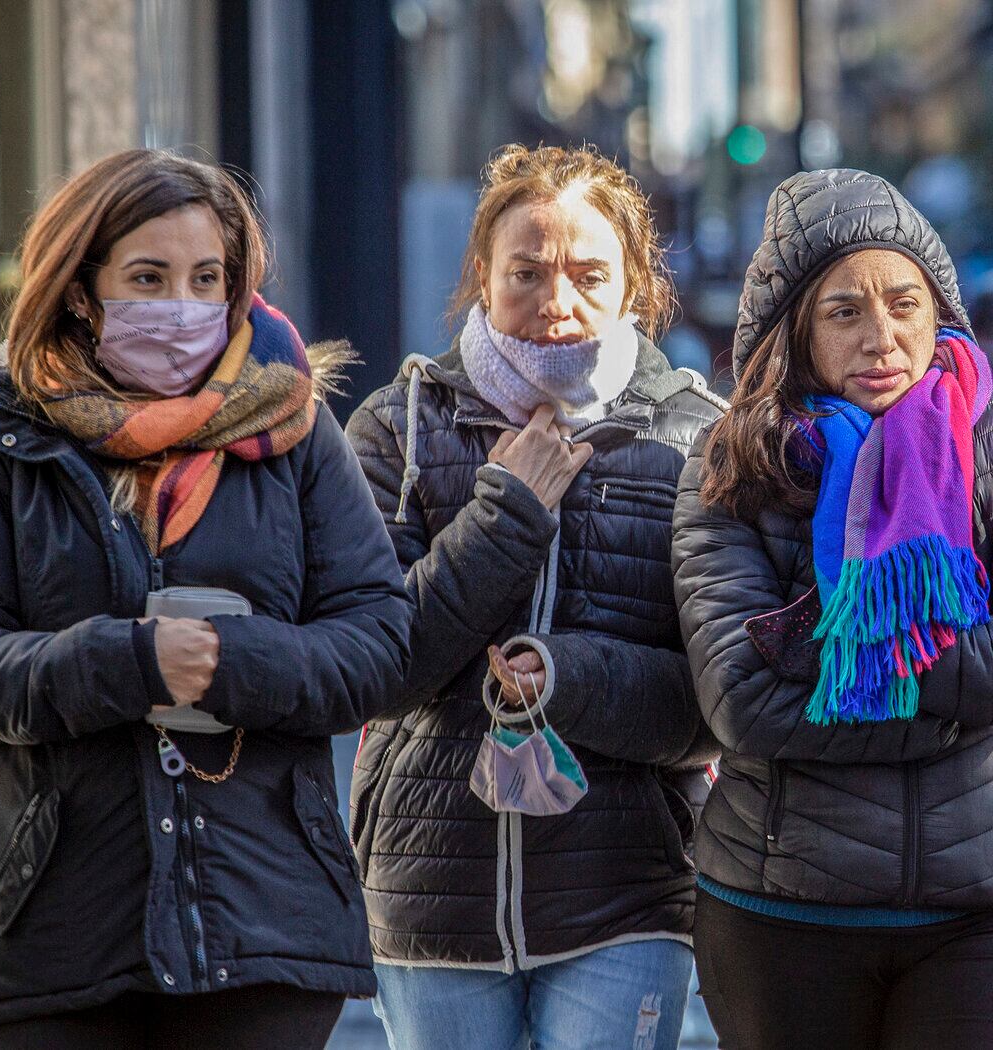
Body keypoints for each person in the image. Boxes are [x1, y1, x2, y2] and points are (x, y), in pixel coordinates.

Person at [0, 149, 412, 1049]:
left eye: (206, 278)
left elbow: (376, 644)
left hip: (264, 927)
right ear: (81, 290)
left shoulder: (294, 427)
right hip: (57, 933)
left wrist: (229, 662)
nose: (182, 305)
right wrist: (130, 662)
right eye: (148, 278)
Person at [345, 143, 725, 1050]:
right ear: (482, 274)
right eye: (527, 272)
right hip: (431, 894)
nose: (557, 303)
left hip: (628, 895)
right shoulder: (399, 427)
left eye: (589, 276)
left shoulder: (698, 440)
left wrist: (567, 677)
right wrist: (506, 516)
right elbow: (370, 669)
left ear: (633, 286)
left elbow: (714, 705)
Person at [672, 167, 993, 1049]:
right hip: (783, 910)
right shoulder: (732, 465)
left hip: (972, 913)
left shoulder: (985, 453)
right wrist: (949, 715)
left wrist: (833, 645)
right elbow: (742, 701)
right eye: (844, 312)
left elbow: (782, 678)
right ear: (795, 334)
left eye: (904, 304)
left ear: (938, 314)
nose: (882, 338)